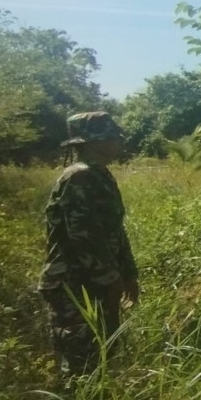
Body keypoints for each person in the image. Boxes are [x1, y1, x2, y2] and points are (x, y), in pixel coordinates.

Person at [38, 111, 140, 377]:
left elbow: (114, 230)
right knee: (80, 359)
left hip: (97, 280)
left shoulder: (100, 174)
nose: (119, 141)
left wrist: (129, 274)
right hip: (74, 283)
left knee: (104, 349)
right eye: (112, 136)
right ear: (94, 141)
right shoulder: (79, 176)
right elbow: (83, 236)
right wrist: (110, 278)